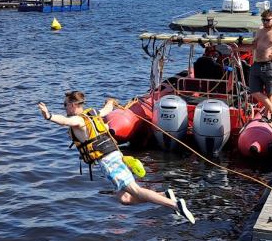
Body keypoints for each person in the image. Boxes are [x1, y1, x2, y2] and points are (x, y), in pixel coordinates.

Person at [38, 91, 195, 223]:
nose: (65, 108)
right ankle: (163, 195)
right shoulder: (93, 114)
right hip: (115, 157)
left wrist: (49, 116)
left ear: (73, 105)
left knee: (136, 191)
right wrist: (110, 102)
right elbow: (106, 109)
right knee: (124, 199)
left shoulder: (78, 120)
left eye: (65, 105)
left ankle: (175, 205)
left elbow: (65, 121)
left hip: (108, 161)